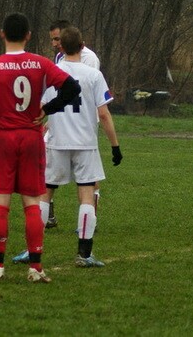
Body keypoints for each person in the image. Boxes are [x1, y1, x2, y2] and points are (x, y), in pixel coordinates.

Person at [0, 12, 81, 283]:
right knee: (32, 202)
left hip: (2, 138)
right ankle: (35, 268)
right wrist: (48, 109)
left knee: (0, 204)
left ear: (2, 34)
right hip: (31, 137)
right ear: (28, 35)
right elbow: (72, 88)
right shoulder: (41, 63)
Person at [40, 27, 122, 268]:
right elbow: (103, 114)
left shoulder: (51, 73)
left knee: (46, 192)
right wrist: (115, 146)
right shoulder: (93, 75)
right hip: (85, 143)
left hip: (57, 141)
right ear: (82, 45)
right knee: (86, 194)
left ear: (61, 47)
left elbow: (42, 108)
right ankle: (84, 254)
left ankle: (33, 249)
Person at [45, 19, 101, 228]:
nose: (54, 44)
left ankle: (89, 221)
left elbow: (86, 93)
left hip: (83, 125)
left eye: (57, 39)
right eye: (53, 40)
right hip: (61, 122)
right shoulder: (60, 58)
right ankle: (49, 215)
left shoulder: (89, 59)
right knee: (48, 179)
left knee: (88, 181)